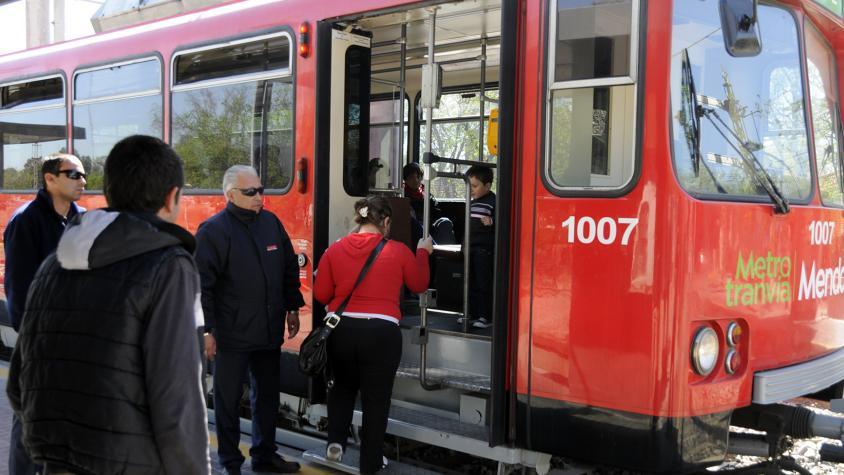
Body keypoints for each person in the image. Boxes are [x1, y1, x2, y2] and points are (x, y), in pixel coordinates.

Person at [6, 135, 210, 474]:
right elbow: (178, 398)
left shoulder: (54, 263)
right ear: (172, 197)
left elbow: (18, 386)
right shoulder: (169, 266)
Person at [195, 165, 304, 475]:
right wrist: (207, 331)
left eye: (261, 190)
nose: (260, 197)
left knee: (267, 398)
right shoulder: (213, 231)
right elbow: (201, 285)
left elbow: (287, 266)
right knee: (228, 402)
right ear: (231, 195)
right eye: (251, 192)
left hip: (268, 331)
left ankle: (264, 456)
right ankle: (230, 463)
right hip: (231, 336)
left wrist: (293, 307)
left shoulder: (270, 223)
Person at [313, 196, 432, 474]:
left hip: (342, 331)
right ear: (386, 222)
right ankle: (370, 463)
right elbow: (419, 283)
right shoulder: (398, 250)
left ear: (359, 219)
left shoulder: (335, 250)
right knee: (376, 402)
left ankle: (336, 442)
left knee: (341, 391)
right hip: (381, 334)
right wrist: (423, 252)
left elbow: (321, 295)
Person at [3, 153, 85, 475]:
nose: (82, 181)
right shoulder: (27, 221)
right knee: (28, 420)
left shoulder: (83, 220)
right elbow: (18, 287)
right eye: (74, 174)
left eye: (83, 175)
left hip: (76, 340)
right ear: (50, 179)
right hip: (40, 341)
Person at [466, 165, 496, 329]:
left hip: (484, 250)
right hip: (471, 248)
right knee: (470, 282)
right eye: (469, 186)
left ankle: (486, 315)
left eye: (475, 186)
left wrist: (492, 222)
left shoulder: (493, 202)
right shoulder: (473, 203)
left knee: (483, 282)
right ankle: (472, 312)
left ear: (488, 186)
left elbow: (503, 223)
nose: (472, 190)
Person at [402, 162, 455, 245]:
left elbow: (437, 212)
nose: (415, 180)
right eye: (411, 177)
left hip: (430, 225)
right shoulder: (403, 196)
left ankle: (446, 254)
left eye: (418, 176)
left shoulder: (427, 195)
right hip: (416, 228)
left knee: (445, 222)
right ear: (405, 179)